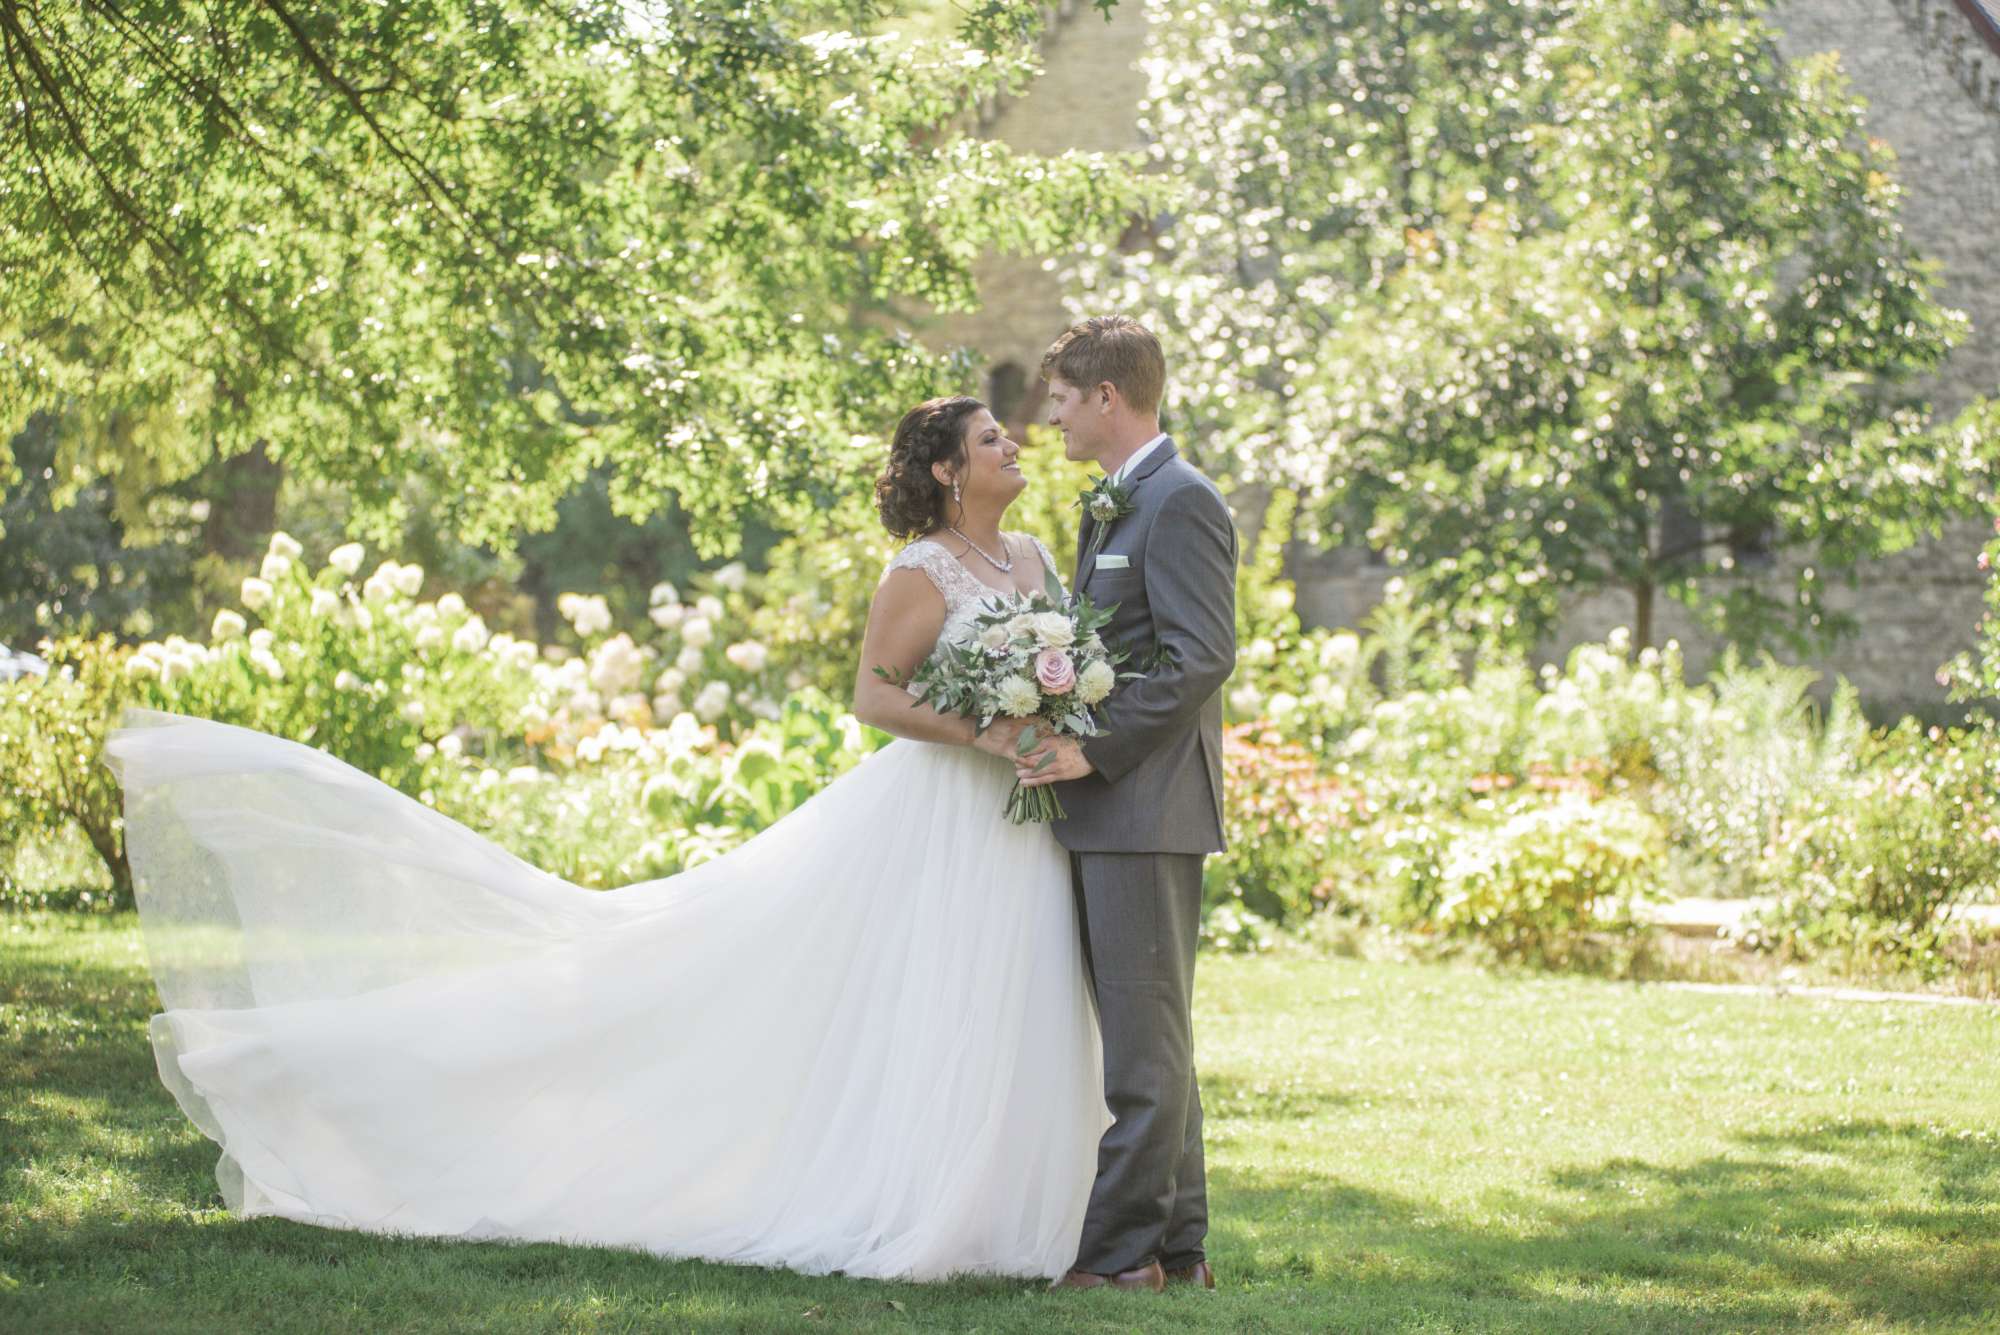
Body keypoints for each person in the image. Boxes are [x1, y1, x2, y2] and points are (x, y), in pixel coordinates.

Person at [103, 396, 1107, 1282]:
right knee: (927, 994)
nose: (1013, 444)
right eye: (989, 438)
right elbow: (873, 696)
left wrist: (1048, 710)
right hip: (938, 810)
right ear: (945, 470)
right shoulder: (920, 569)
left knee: (1011, 987)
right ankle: (930, 1204)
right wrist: (988, 728)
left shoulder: (1030, 557)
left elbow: (1049, 661)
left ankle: (1015, 1213)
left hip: (1017, 815)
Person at [1016, 316, 1237, 1293]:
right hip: (1114, 814)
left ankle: (1111, 1265)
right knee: (1150, 1047)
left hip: (1145, 809)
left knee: (1142, 1057)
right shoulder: (1112, 502)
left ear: (1108, 397)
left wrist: (1087, 749)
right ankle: (1175, 1253)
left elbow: (1198, 657)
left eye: (1062, 397)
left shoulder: (1179, 501)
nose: (1051, 415)